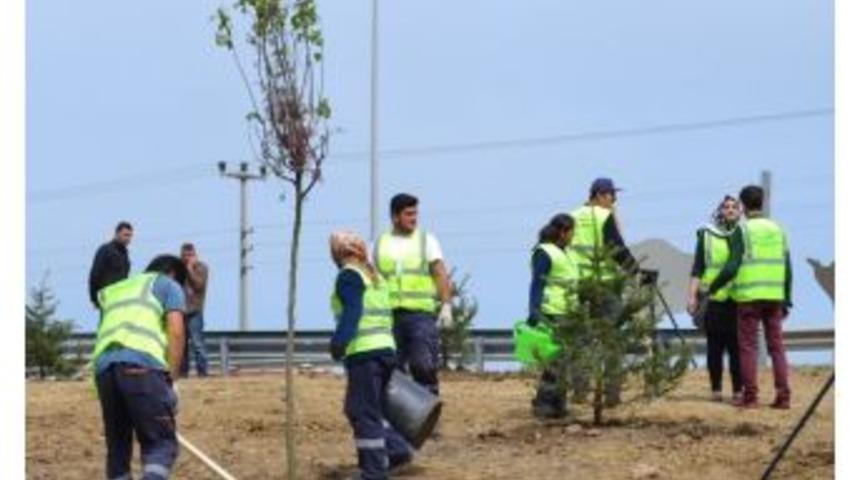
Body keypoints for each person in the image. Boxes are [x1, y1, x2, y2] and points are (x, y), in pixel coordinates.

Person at [92, 254, 188, 480]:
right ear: (174, 274)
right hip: (142, 368)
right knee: (160, 445)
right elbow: (176, 331)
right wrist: (171, 381)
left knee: (117, 450)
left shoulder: (117, 289)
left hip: (105, 372)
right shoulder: (168, 284)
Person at [329, 230, 414, 480]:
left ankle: (374, 472)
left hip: (364, 352)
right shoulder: (374, 276)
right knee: (371, 408)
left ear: (338, 253)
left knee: (362, 411)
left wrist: (339, 343)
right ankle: (396, 449)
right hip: (386, 350)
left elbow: (352, 312)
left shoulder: (348, 276)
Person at [706, 185, 793, 409]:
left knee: (747, 347)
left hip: (748, 298)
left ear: (743, 206)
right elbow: (788, 268)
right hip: (774, 296)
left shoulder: (741, 231)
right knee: (776, 347)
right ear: (762, 202)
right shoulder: (778, 229)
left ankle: (751, 396)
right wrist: (787, 298)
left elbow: (731, 267)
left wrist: (713, 287)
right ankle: (783, 396)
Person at [373, 193, 452, 397]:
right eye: (409, 214)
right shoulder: (379, 243)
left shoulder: (426, 240)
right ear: (395, 216)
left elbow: (439, 272)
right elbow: (371, 280)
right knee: (392, 370)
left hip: (420, 315)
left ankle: (429, 419)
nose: (414, 218)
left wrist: (446, 305)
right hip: (389, 317)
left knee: (423, 365)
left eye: (415, 213)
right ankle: (400, 423)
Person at [568, 178, 637, 406]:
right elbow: (616, 248)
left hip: (578, 285)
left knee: (580, 339)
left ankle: (579, 392)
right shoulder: (604, 216)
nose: (614, 201)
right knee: (612, 339)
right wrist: (636, 272)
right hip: (605, 284)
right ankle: (612, 395)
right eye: (612, 196)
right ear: (600, 195)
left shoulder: (572, 216)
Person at [686, 196, 743, 403]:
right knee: (714, 347)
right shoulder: (707, 234)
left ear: (740, 212)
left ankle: (738, 390)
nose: (729, 210)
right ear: (719, 211)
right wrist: (691, 295)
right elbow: (698, 267)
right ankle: (716, 389)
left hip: (738, 298)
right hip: (712, 298)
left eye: (734, 207)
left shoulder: (744, 233)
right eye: (726, 207)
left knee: (736, 347)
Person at [527, 213, 579, 418]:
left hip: (567, 313)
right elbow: (537, 284)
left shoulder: (566, 253)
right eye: (572, 231)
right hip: (552, 313)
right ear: (563, 231)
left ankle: (558, 404)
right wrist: (535, 313)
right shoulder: (545, 253)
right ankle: (543, 404)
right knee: (555, 362)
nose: (574, 236)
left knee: (563, 362)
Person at [180, 243, 209, 377]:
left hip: (194, 311)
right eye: (185, 255)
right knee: (181, 345)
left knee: (198, 344)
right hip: (180, 311)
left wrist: (190, 269)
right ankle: (182, 373)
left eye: (190, 255)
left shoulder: (202, 268)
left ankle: (202, 373)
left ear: (195, 255)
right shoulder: (177, 269)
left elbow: (199, 285)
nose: (187, 258)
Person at [88, 221, 133, 308]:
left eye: (130, 236)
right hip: (107, 297)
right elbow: (94, 275)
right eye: (125, 235)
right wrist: (94, 299)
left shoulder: (125, 254)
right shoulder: (105, 250)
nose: (128, 238)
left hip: (120, 298)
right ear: (117, 234)